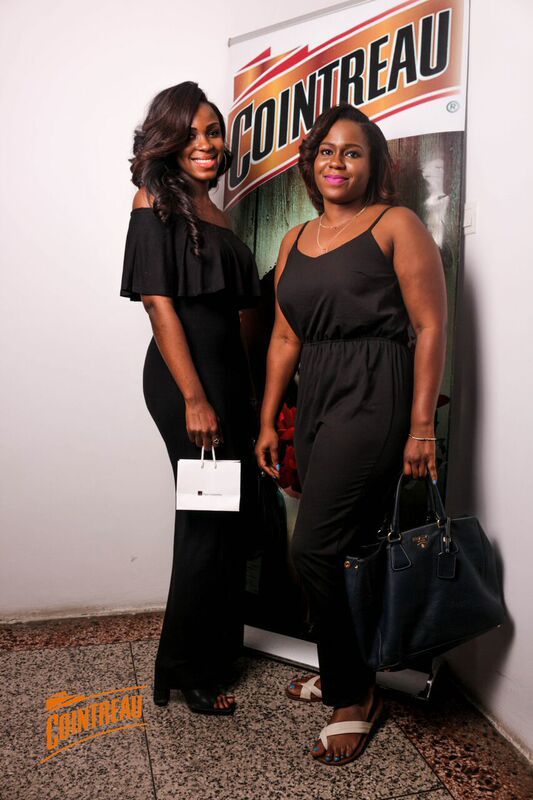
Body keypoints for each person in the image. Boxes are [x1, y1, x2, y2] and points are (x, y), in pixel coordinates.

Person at [255, 103, 447, 764]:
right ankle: (350, 665)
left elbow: (429, 326)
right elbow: (285, 337)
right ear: (312, 164)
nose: (336, 162)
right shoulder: (294, 240)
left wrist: (421, 427)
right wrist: (268, 419)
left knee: (311, 548)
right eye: (326, 151)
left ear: (374, 164)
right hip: (317, 396)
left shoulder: (395, 224)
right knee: (349, 551)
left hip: (375, 388)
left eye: (353, 151)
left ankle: (352, 693)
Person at [121, 82, 261, 715]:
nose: (206, 143)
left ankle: (216, 650)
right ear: (169, 141)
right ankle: (184, 669)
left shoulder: (216, 211)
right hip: (186, 382)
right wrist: (195, 399)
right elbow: (159, 305)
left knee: (228, 521)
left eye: (214, 131)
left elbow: (238, 312)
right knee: (205, 521)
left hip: (226, 378)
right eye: (192, 133)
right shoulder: (153, 199)